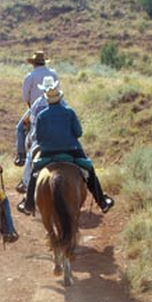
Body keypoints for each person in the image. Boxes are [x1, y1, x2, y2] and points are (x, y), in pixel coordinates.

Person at [17, 81, 115, 215]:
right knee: (89, 169)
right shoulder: (70, 112)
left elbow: (38, 138)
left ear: (47, 98)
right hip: (71, 150)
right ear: (60, 97)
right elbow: (79, 133)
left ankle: (28, 204)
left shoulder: (41, 115)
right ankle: (102, 202)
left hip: (47, 152)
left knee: (34, 173)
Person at [15, 51, 59, 188]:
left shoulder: (30, 76)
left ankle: (21, 156)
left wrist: (32, 105)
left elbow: (25, 97)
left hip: (36, 107)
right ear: (44, 62)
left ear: (33, 63)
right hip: (57, 105)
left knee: (20, 128)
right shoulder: (53, 74)